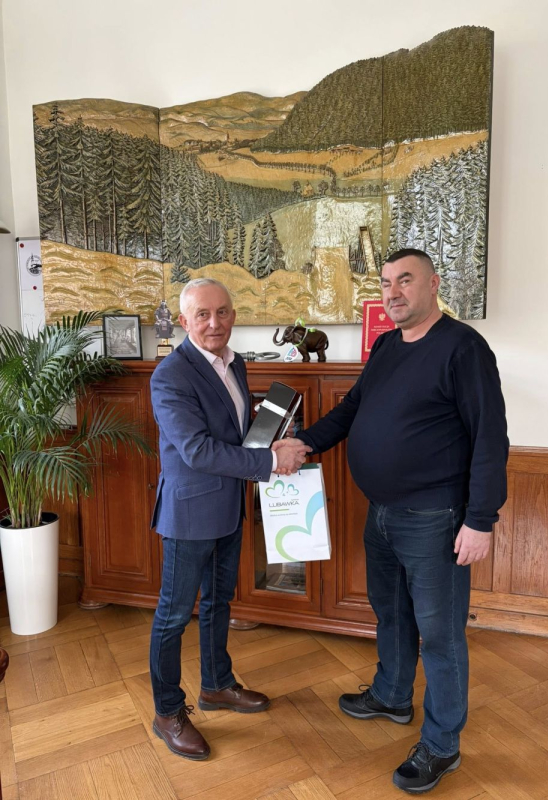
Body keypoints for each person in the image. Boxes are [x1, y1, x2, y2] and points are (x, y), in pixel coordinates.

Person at [274, 248, 508, 794]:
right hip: (380, 513)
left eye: (406, 280)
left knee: (441, 636)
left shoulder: (464, 348)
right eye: (385, 283)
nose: (393, 292)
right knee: (391, 614)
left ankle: (442, 745)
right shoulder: (385, 346)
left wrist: (480, 519)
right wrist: (306, 442)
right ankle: (392, 695)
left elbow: (490, 437)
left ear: (434, 284)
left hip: (435, 518)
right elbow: (352, 408)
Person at [149, 277, 310, 761]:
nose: (214, 323)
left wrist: (272, 439)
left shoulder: (235, 363)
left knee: (220, 601)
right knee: (174, 616)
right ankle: (167, 712)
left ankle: (216, 685)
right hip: (188, 514)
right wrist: (270, 462)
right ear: (184, 321)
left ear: (234, 316)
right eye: (202, 314)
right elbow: (197, 450)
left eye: (222, 312)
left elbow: (235, 435)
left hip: (229, 507)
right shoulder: (170, 375)